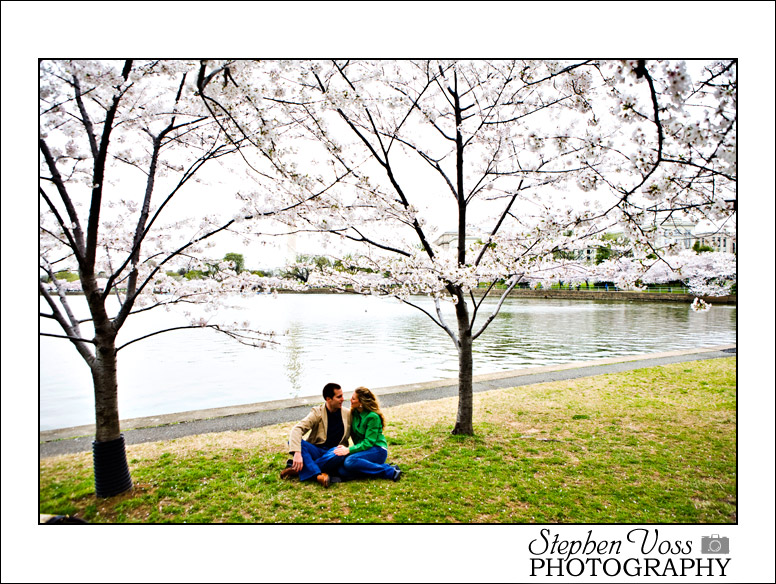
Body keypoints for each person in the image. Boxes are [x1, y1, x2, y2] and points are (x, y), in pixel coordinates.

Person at [280, 382, 351, 488]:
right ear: (328, 399)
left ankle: (301, 470)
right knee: (295, 442)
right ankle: (318, 476)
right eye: (339, 397)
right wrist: (298, 453)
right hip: (317, 450)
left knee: (340, 453)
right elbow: (297, 429)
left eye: (342, 396)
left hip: (334, 452)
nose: (343, 399)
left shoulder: (348, 414)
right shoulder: (317, 412)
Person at [332, 386, 402, 482]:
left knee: (349, 461)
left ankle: (390, 471)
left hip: (377, 450)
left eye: (353, 398)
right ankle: (378, 467)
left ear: (360, 402)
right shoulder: (354, 413)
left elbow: (369, 442)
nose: (350, 400)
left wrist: (348, 450)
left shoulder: (373, 417)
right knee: (342, 470)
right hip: (363, 450)